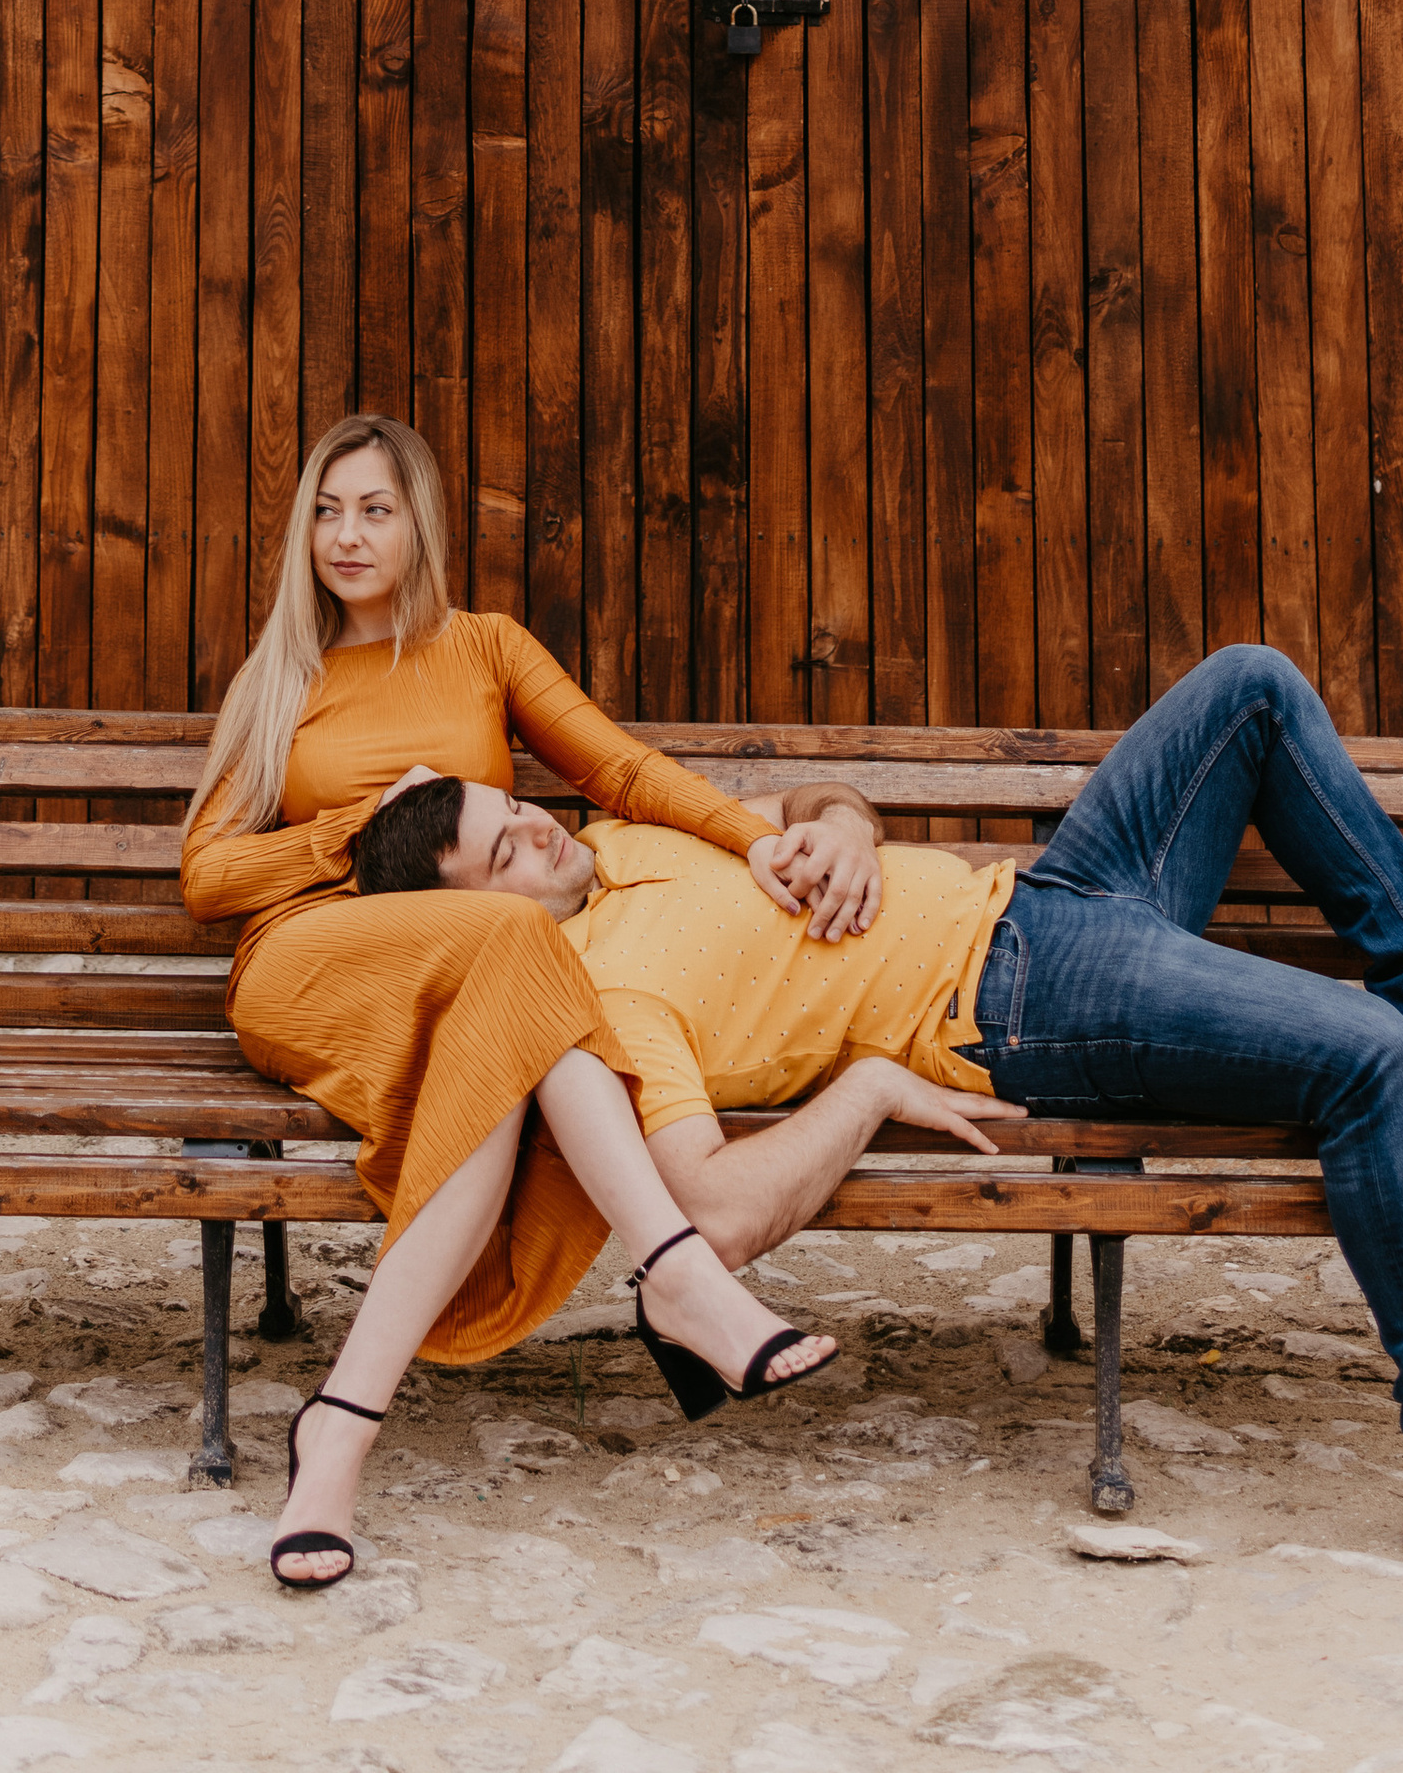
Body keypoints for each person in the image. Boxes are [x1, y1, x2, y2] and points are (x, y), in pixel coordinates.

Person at [351, 639, 1403, 1585]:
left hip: (1055, 895)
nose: (538, 822)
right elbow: (709, 1212)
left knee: (1250, 683)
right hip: (1022, 1001)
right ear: (475, 916)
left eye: (515, 801)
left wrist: (852, 826)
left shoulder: (631, 840)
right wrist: (869, 1085)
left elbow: (803, 808)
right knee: (1366, 1063)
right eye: (504, 844)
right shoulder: (608, 1003)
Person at [176, 413, 887, 1593]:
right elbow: (208, 880)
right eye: (327, 510)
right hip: (309, 964)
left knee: (507, 1015)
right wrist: (354, 829)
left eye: (376, 509)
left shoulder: (485, 648)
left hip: (472, 973)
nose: (347, 536)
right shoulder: (282, 680)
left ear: (422, 527)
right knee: (515, 942)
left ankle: (337, 1437)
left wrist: (746, 840)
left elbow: (618, 770)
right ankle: (679, 1275)